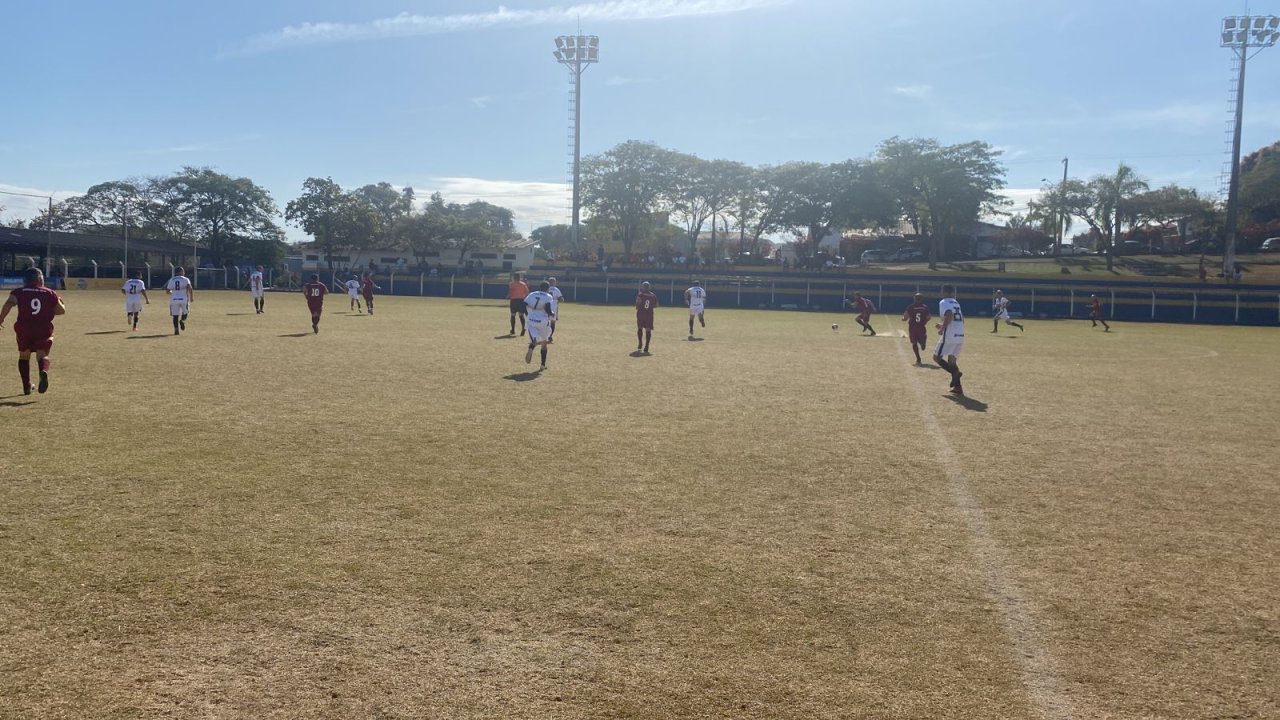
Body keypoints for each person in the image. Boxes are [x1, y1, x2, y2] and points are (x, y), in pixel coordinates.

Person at [0, 268, 66, 394]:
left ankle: (26, 386)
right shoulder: (50, 293)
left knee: (24, 355)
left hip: (24, 328)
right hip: (43, 328)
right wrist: (55, 305)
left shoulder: (19, 292)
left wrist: (1, 319)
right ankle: (43, 371)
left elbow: (9, 304)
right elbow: (61, 311)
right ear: (40, 278)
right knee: (42, 354)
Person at [932, 284, 965, 396]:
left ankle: (955, 373)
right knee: (952, 361)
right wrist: (942, 325)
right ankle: (958, 387)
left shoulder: (944, 302)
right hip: (960, 334)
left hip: (950, 335)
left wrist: (942, 328)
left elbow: (949, 315)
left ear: (944, 291)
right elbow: (958, 319)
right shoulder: (956, 302)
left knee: (936, 357)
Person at [523, 281, 557, 370]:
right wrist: (552, 313)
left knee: (534, 340)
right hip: (543, 320)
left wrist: (528, 314)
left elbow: (523, 305)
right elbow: (548, 308)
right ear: (548, 288)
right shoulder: (548, 296)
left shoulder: (532, 294)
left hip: (532, 319)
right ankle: (542, 365)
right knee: (544, 342)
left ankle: (531, 349)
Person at [902, 293, 931, 365]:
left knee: (914, 343)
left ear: (914, 299)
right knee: (922, 338)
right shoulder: (925, 307)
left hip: (912, 327)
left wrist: (903, 319)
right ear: (921, 299)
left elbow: (905, 317)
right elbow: (929, 317)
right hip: (921, 327)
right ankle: (923, 342)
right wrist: (924, 321)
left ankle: (918, 359)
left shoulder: (911, 307)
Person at [165, 267, 193, 336]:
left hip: (174, 299)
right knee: (185, 313)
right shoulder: (186, 279)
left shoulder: (172, 279)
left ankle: (176, 330)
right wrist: (191, 297)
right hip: (184, 298)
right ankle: (182, 321)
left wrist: (173, 293)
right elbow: (190, 288)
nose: (184, 272)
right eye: (183, 271)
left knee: (175, 316)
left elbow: (167, 291)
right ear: (180, 272)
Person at [635, 281, 659, 353]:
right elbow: (657, 305)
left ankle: (640, 343)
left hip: (641, 313)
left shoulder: (640, 294)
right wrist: (651, 306)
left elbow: (638, 302)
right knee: (648, 329)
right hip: (649, 314)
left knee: (640, 328)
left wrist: (637, 307)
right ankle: (647, 346)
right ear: (649, 287)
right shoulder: (653, 295)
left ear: (643, 287)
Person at [546, 277, 564, 342]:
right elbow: (561, 299)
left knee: (545, 321)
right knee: (552, 322)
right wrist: (559, 300)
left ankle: (544, 335)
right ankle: (550, 336)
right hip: (553, 307)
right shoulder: (556, 289)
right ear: (554, 282)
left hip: (545, 307)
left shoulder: (545, 288)